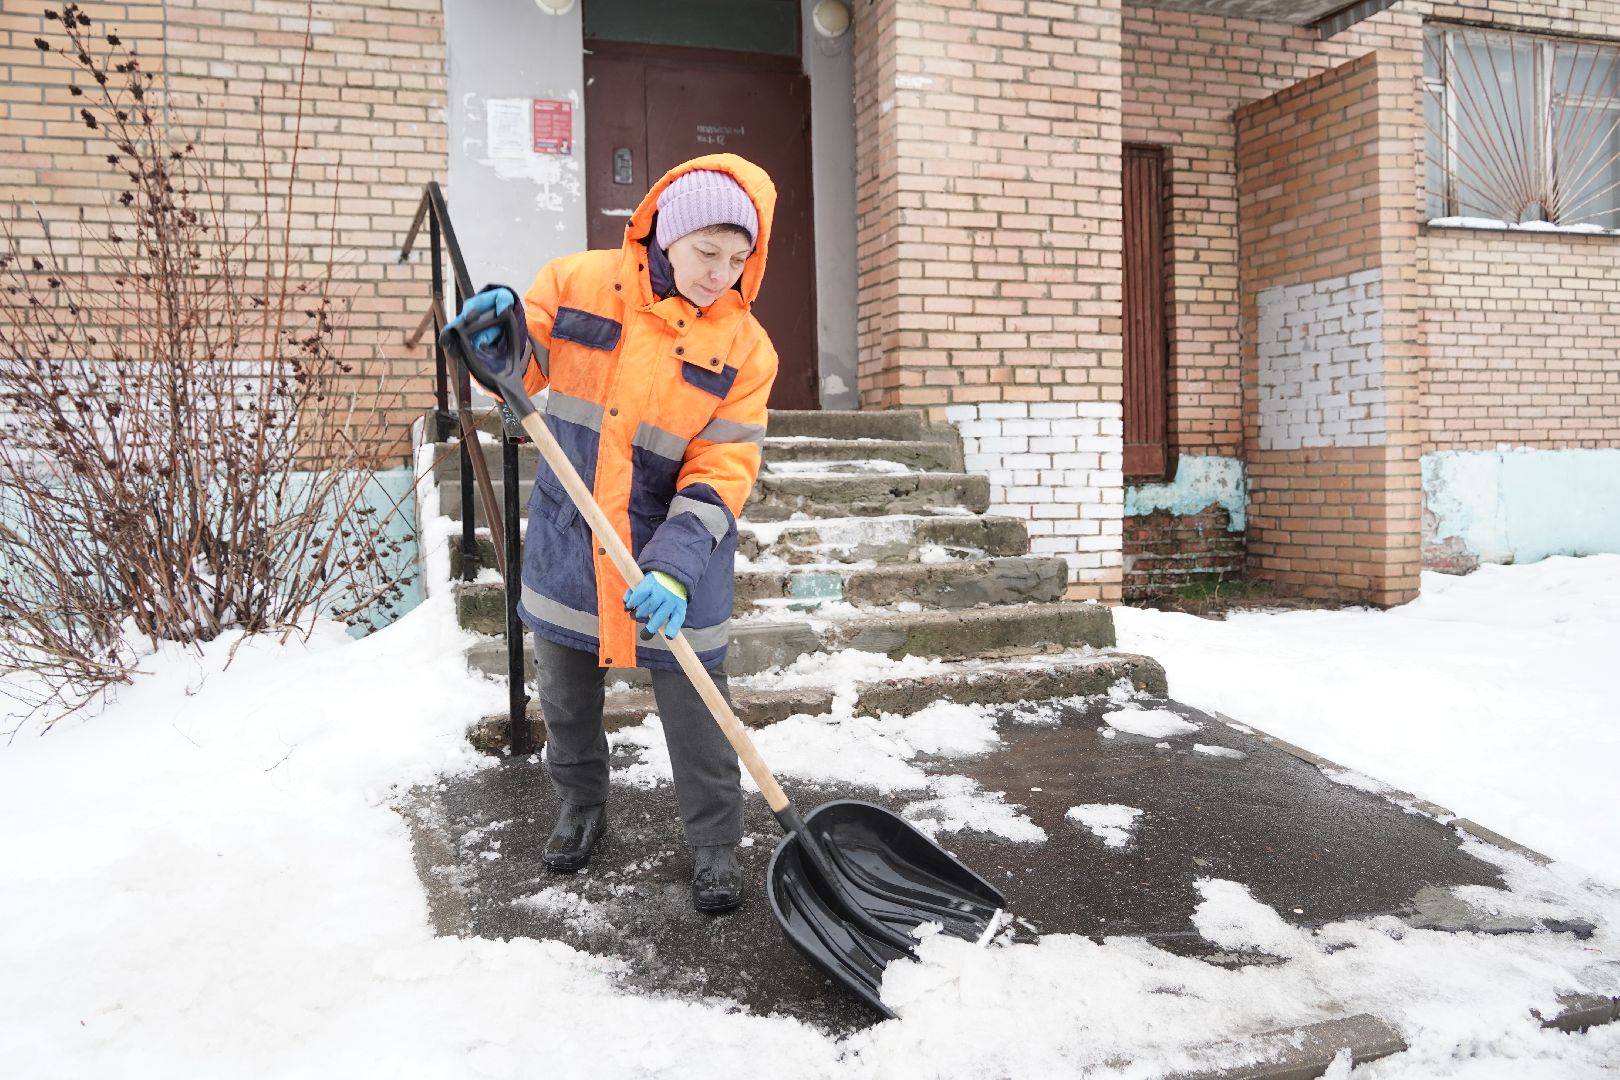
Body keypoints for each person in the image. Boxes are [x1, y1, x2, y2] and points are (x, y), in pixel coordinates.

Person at [447, 155, 779, 913]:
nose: (719, 275)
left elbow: (722, 469)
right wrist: (496, 330)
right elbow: (515, 370)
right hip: (573, 538)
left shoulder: (746, 348)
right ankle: (582, 807)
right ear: (668, 229)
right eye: (706, 254)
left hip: (677, 555)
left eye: (738, 260)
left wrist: (672, 568)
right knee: (565, 698)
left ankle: (716, 847)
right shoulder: (577, 283)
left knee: (699, 712)